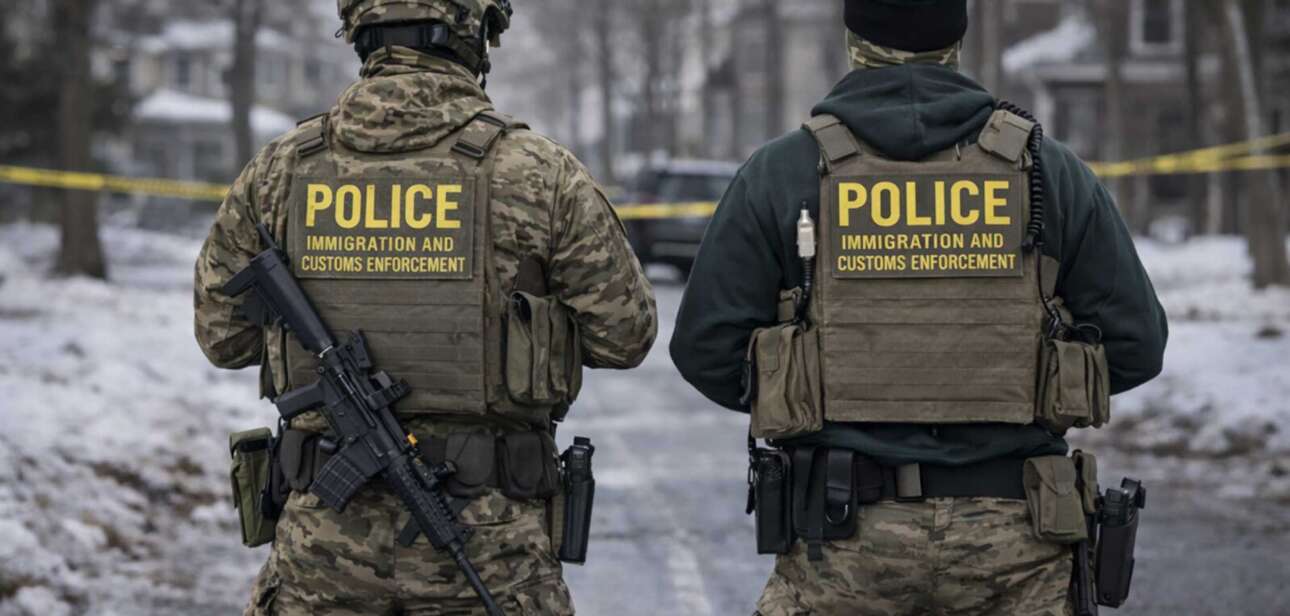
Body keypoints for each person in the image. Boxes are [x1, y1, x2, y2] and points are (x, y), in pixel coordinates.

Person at [670, 1, 1168, 614]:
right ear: (957, 40)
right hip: (1017, 540)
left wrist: (802, 394)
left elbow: (705, 347)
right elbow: (1136, 343)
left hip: (844, 536)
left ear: (854, 38)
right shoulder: (1047, 169)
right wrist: (1026, 385)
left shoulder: (784, 171)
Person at [195, 1, 657, 613]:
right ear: (475, 34)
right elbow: (625, 336)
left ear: (360, 33)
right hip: (490, 544)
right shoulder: (539, 173)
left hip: (321, 555)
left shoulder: (281, 171)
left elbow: (222, 337)